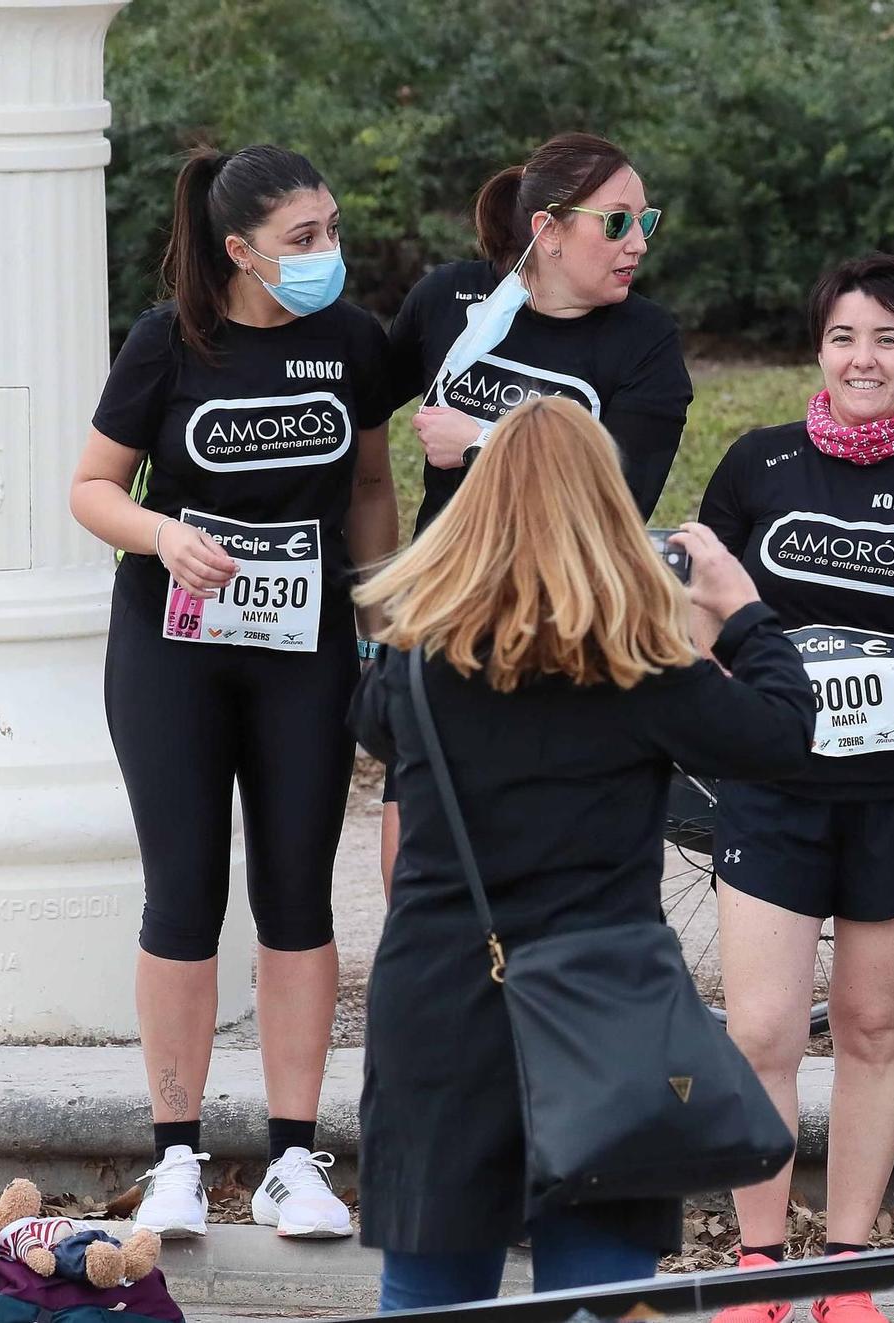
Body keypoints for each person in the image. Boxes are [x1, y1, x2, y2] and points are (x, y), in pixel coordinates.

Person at [349, 395, 815, 1309]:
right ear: (605, 505)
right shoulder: (637, 663)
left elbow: (369, 725)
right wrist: (745, 612)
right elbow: (785, 735)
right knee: (599, 1296)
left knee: (429, 1291)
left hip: (440, 998)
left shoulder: (413, 657)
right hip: (603, 1005)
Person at [68, 145, 400, 1241]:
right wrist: (168, 535)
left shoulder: (351, 341)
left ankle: (295, 1160)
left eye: (332, 229)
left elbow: (367, 483)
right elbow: (91, 488)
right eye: (302, 238)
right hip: (173, 647)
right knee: (184, 895)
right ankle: (175, 1158)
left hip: (302, 648)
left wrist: (382, 619)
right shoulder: (170, 340)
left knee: (300, 893)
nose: (325, 255)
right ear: (240, 250)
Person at [699, 253, 894, 1323]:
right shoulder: (757, 466)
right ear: (817, 349)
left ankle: (845, 1272)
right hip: (775, 794)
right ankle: (757, 1267)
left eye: (886, 338)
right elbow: (701, 627)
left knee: (878, 1030)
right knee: (762, 1033)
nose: (861, 357)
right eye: (842, 336)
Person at [379, 130, 694, 892]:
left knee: (536, 852)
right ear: (548, 231)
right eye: (616, 222)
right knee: (420, 829)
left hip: (564, 622)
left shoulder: (645, 341)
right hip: (444, 609)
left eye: (644, 222)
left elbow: (617, 499)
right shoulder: (453, 301)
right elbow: (351, 407)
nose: (636, 244)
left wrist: (484, 443)